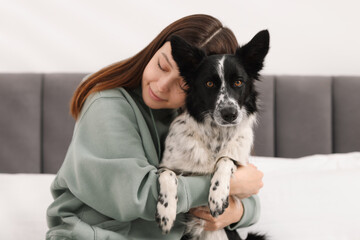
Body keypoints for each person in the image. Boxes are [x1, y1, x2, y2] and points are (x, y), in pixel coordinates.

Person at [46, 14, 264, 240]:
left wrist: (237, 211)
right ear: (153, 51)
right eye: (161, 65)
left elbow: (249, 193)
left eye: (181, 84)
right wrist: (225, 185)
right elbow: (135, 196)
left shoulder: (189, 118)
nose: (161, 86)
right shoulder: (107, 103)